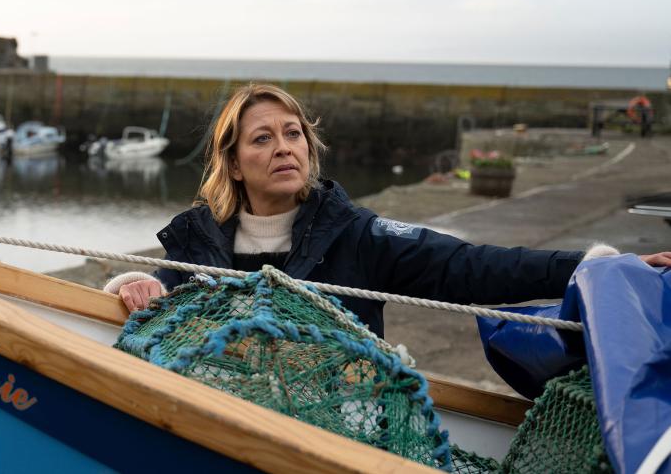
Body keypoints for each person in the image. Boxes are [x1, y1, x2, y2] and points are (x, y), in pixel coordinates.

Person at [105, 83, 671, 337]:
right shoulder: (198, 242)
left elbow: (472, 267)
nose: (283, 147)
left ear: (309, 147)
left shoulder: (360, 235)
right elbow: (160, 292)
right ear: (231, 163)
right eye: (261, 139)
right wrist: (133, 286)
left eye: (293, 133)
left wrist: (594, 265)